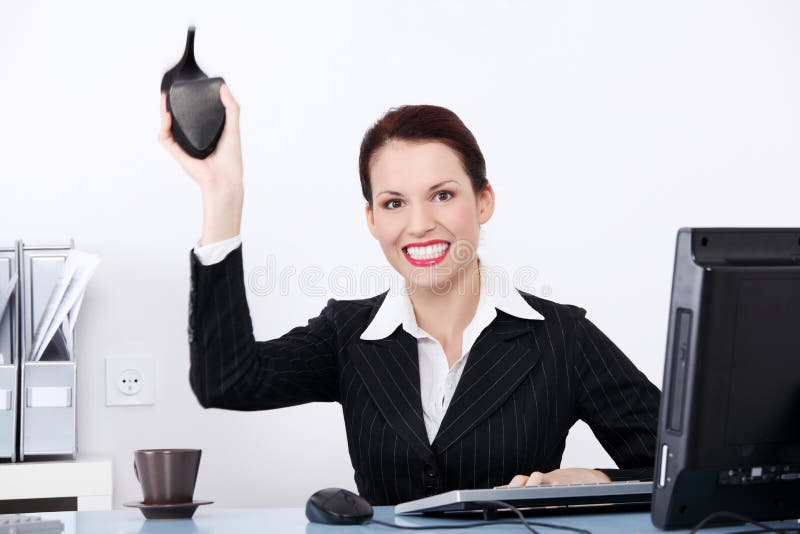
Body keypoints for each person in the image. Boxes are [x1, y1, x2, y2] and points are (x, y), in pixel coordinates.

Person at [158, 85, 661, 506]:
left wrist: (593, 481)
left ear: (483, 201)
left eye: (442, 195)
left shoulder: (562, 338)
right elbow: (225, 381)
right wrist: (223, 194)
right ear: (372, 219)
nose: (419, 225)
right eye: (394, 202)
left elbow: (686, 468)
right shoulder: (347, 334)